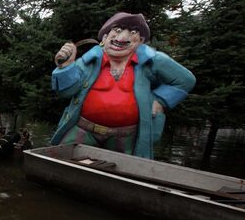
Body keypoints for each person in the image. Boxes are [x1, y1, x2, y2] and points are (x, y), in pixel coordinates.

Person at [50, 12, 196, 159]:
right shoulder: (90, 61)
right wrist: (66, 67)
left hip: (126, 137)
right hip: (83, 130)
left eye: (132, 33)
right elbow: (66, 92)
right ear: (105, 38)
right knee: (62, 161)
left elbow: (185, 80)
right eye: (117, 30)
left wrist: (161, 101)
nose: (122, 38)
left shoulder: (152, 61)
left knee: (123, 173)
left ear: (140, 41)